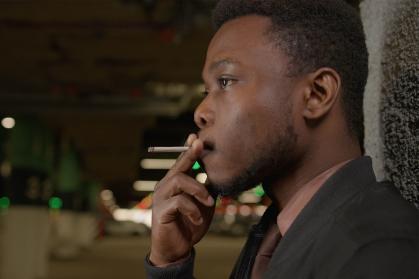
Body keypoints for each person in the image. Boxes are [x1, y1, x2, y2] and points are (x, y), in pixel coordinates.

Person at [144, 0, 419, 278]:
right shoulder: (277, 233)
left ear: (316, 94)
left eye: (225, 81)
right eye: (206, 92)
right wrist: (170, 263)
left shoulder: (377, 254)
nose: (201, 112)